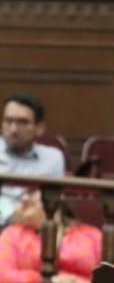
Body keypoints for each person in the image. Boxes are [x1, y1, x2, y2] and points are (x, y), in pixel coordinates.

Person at [0, 93, 66, 225]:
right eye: (8, 121)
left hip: (33, 228)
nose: (13, 129)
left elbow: (52, 202)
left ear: (39, 128)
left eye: (22, 123)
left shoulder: (53, 158)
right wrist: (11, 214)